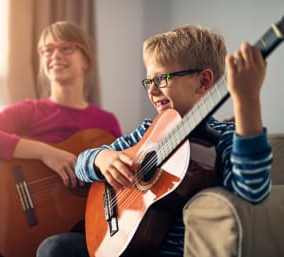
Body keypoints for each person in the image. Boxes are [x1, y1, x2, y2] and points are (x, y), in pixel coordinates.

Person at [36, 25, 273, 257]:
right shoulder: (148, 131)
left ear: (203, 82)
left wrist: (247, 100)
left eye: (161, 79)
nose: (152, 90)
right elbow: (81, 165)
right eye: (149, 81)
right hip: (117, 241)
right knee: (55, 247)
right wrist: (101, 157)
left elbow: (252, 190)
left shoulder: (224, 138)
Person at [0, 21, 122, 257]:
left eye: (66, 47)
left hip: (73, 235)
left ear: (86, 59)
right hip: (18, 233)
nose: (55, 55)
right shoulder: (29, 111)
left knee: (54, 248)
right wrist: (47, 153)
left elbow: (121, 185)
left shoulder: (105, 122)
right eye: (47, 50)